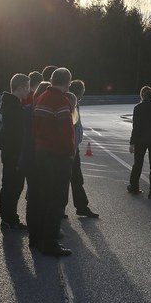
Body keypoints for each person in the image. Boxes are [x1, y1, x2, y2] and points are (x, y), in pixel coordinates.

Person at [32, 68, 75, 257]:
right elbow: (66, 132)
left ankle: (38, 238)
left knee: (43, 197)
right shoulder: (61, 101)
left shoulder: (41, 98)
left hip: (41, 152)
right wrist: (70, 153)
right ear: (67, 82)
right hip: (57, 155)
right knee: (57, 200)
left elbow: (36, 126)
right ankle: (49, 242)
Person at [20, 81, 51, 249]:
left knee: (33, 198)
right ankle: (41, 234)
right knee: (43, 198)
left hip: (28, 159)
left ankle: (33, 235)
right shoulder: (42, 112)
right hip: (40, 158)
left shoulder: (26, 110)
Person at [0, 73, 30, 230]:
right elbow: (15, 135)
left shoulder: (7, 104)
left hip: (8, 153)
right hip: (14, 154)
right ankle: (10, 219)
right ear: (21, 87)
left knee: (9, 186)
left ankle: (8, 218)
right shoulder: (14, 107)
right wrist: (18, 155)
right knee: (13, 187)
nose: (29, 91)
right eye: (28, 87)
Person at [67, 79, 98, 218]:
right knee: (68, 179)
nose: (82, 97)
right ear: (78, 93)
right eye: (81, 94)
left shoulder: (75, 104)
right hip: (69, 147)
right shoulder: (70, 104)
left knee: (76, 179)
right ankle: (65, 208)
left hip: (74, 147)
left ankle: (81, 206)